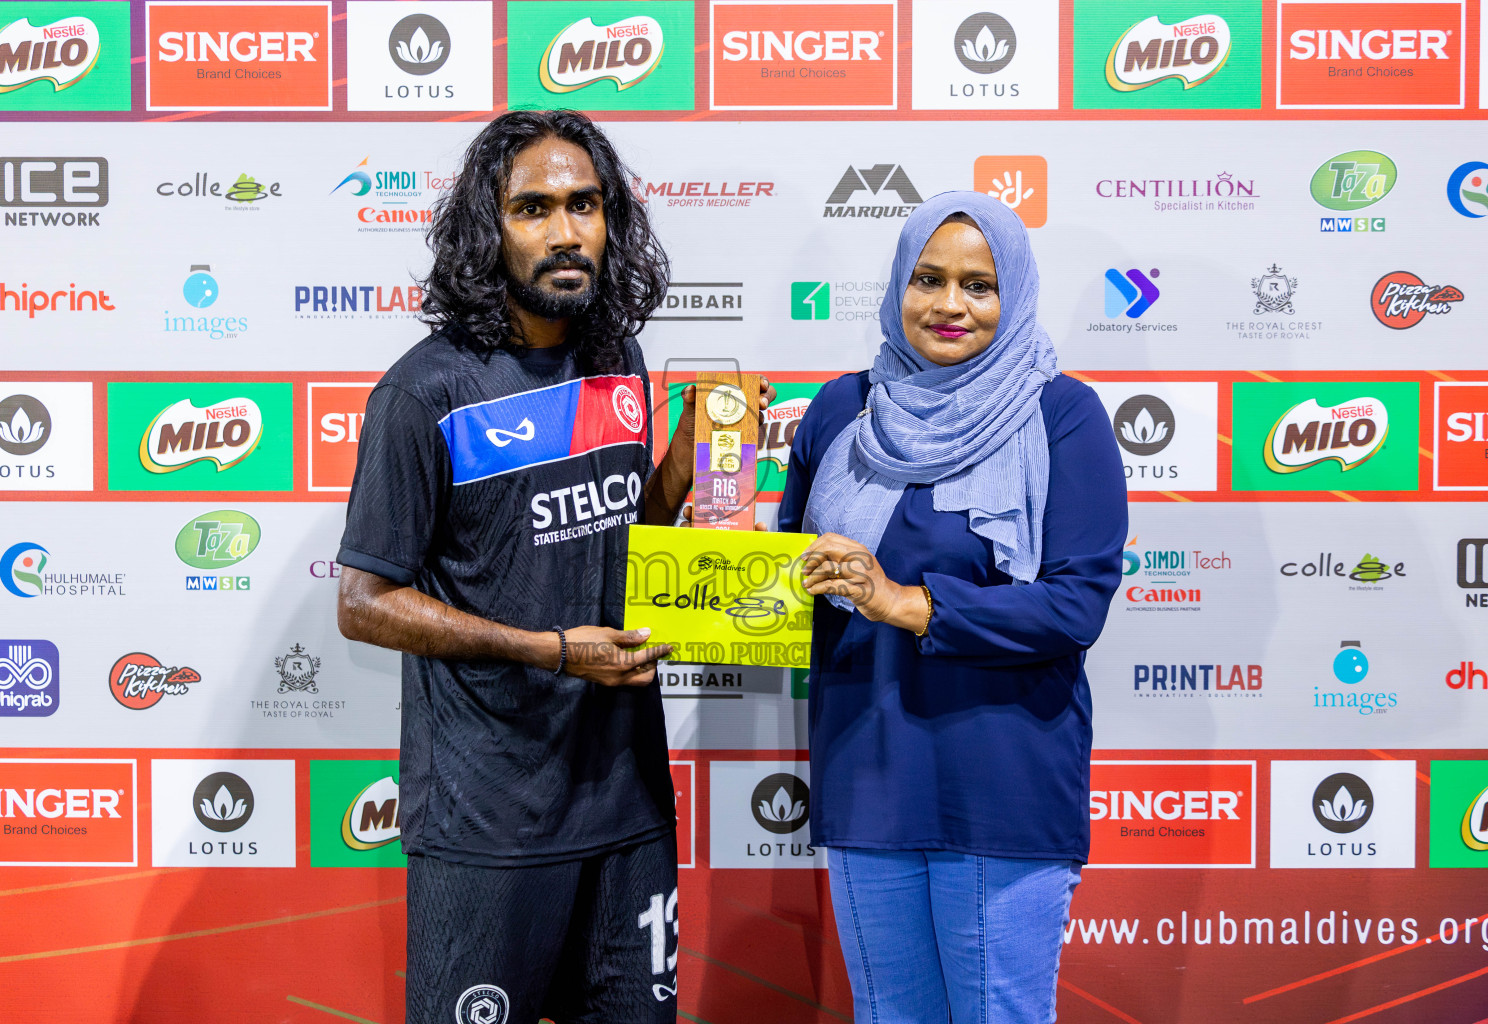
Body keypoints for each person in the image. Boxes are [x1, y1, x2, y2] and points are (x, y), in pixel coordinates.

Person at [334, 110, 769, 1024]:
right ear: (485, 231)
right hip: (489, 819)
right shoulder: (426, 392)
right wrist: (549, 651)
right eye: (533, 208)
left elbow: (619, 541)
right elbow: (366, 604)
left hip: (627, 803)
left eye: (585, 204)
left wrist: (681, 470)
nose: (567, 232)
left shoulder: (618, 361)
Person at [777, 191, 1127, 1024]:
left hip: (1000, 782)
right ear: (899, 286)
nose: (948, 306)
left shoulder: (1059, 413)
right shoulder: (842, 410)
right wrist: (703, 549)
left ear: (1014, 295)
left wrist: (906, 604)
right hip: (868, 776)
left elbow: (1076, 607)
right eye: (928, 280)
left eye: (979, 284)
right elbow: (793, 582)